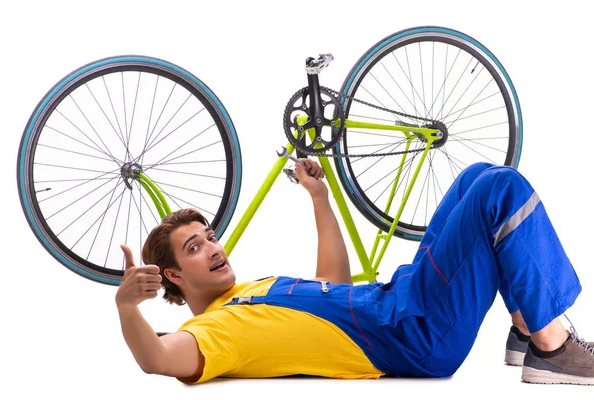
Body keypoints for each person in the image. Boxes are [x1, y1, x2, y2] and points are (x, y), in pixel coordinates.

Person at [115, 159, 594, 385]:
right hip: (417, 333)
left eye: (211, 236)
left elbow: (335, 287)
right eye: (195, 247)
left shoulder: (249, 290)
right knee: (501, 190)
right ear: (173, 275)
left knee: (477, 176)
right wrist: (127, 306)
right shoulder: (213, 333)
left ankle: (525, 327)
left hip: (401, 297)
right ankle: (550, 346)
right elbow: (157, 357)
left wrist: (319, 199)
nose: (214, 247)